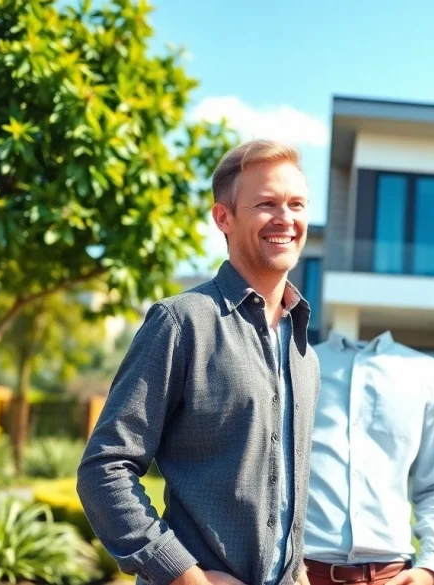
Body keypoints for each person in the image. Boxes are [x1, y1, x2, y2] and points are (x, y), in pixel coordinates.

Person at [77, 140, 321, 585]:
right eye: (266, 203)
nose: (286, 218)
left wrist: (297, 570)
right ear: (223, 217)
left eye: (297, 203)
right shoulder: (181, 322)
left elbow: (285, 495)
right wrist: (185, 577)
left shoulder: (304, 351)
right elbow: (104, 469)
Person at [301, 331, 434, 585]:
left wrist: (431, 566)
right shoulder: (296, 362)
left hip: (394, 576)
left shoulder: (428, 374)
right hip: (305, 575)